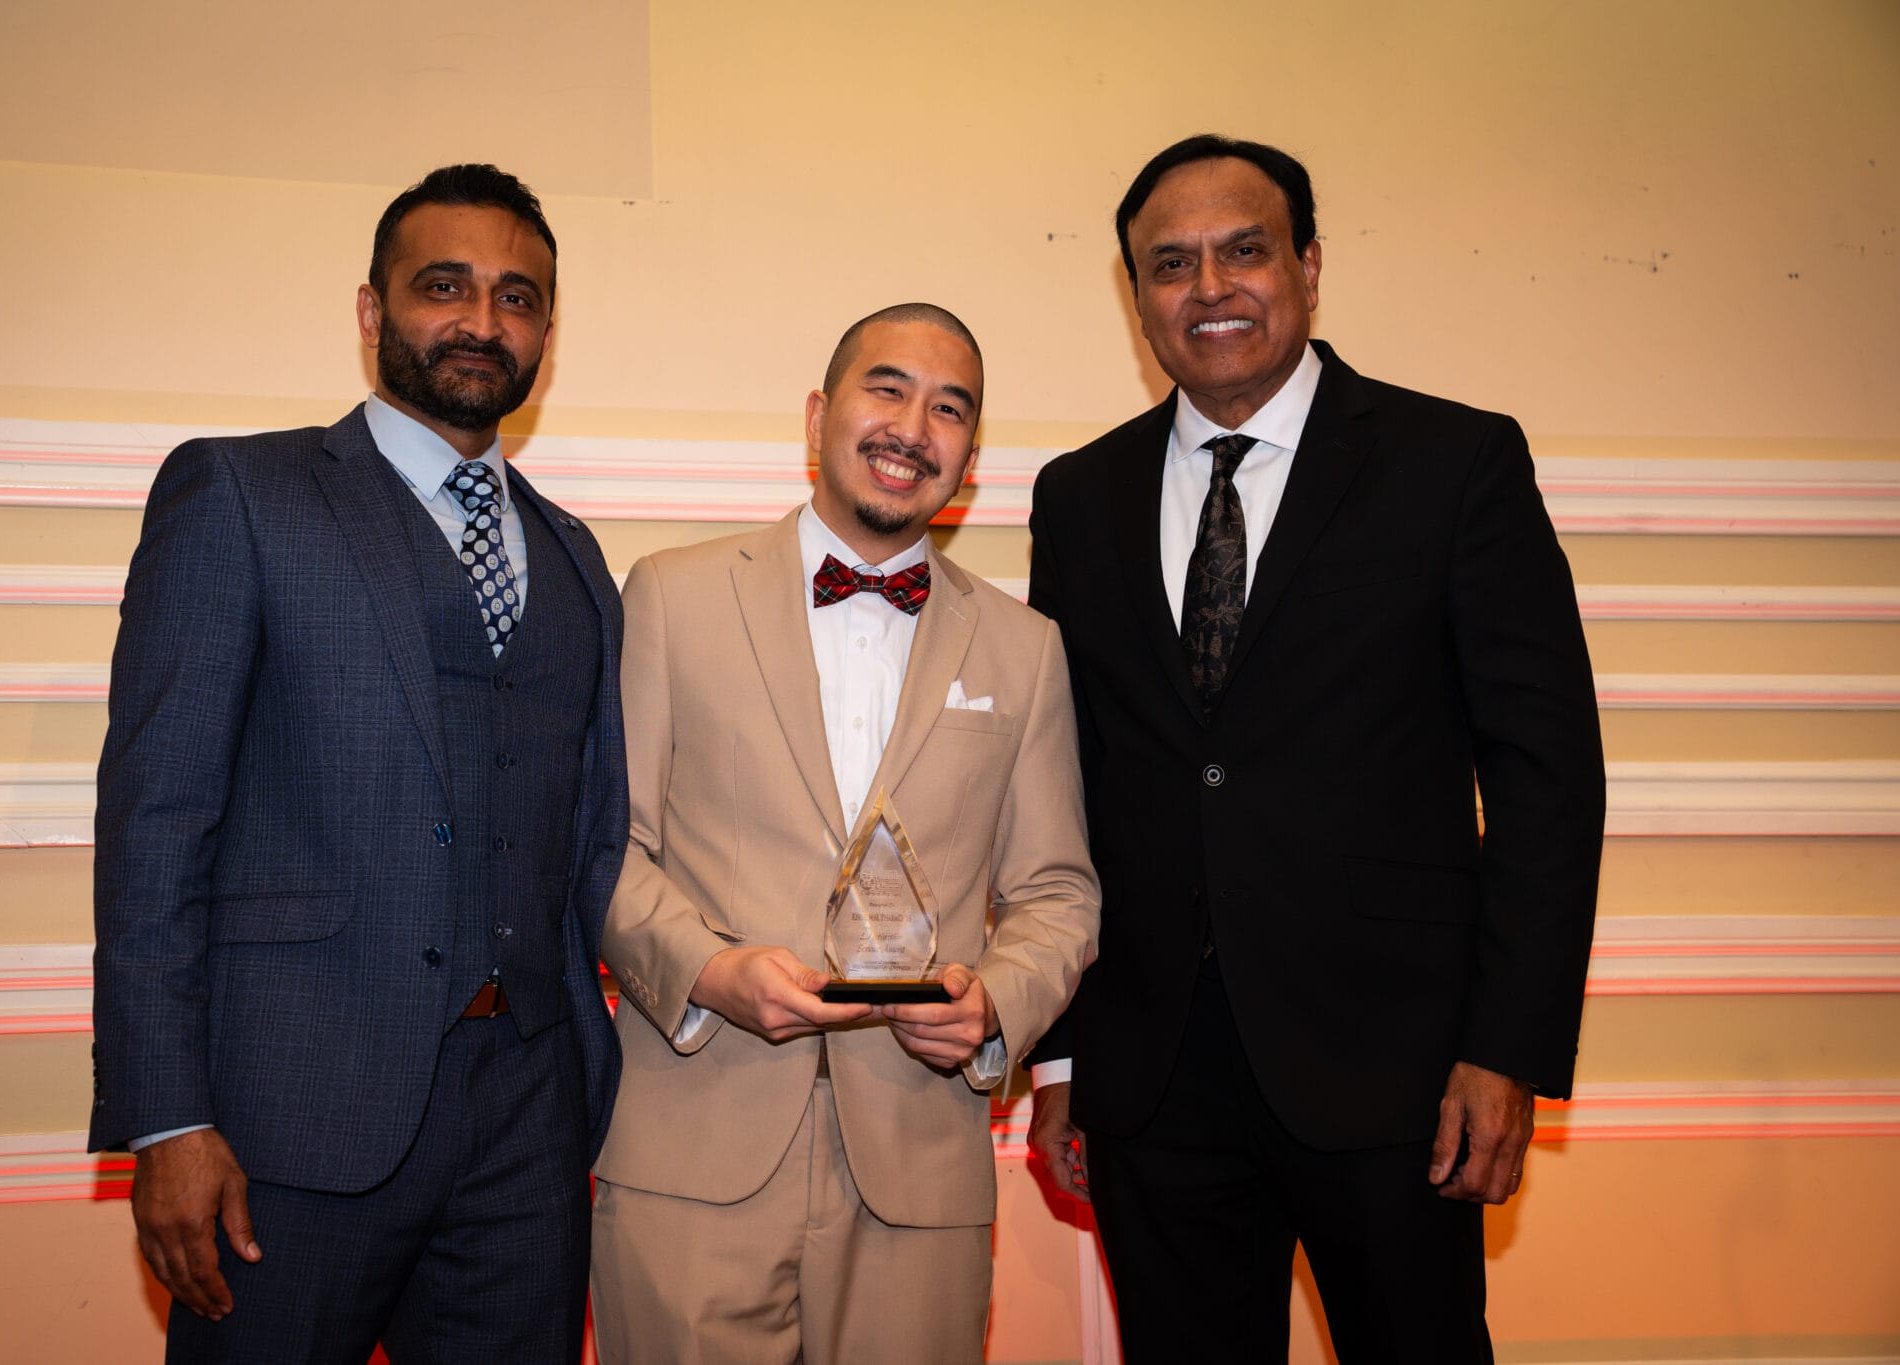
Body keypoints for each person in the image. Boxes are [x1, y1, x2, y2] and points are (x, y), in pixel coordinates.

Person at [1024, 134, 1606, 1361]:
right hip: (1151, 1076)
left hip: (1399, 1076)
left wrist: (1503, 1050)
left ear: (1307, 264)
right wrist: (1063, 1054)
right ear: (1136, 299)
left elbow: (1545, 777)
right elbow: (1061, 788)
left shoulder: (1453, 465)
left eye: (1243, 250)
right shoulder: (1078, 497)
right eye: (1169, 264)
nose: (1209, 287)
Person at [88, 163, 625, 1362]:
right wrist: (166, 1115)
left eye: (518, 296)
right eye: (445, 286)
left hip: (529, 1131)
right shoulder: (239, 492)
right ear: (373, 311)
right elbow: (156, 824)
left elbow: (587, 844)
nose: (483, 322)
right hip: (285, 1126)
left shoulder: (578, 557)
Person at [590, 303, 1100, 1364]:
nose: (912, 425)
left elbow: (1057, 892)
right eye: (886, 389)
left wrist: (996, 1004)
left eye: (948, 408)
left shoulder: (1026, 648)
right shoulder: (670, 597)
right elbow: (606, 848)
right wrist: (710, 971)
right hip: (692, 1143)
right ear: (819, 415)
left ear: (967, 456)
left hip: (919, 1161)